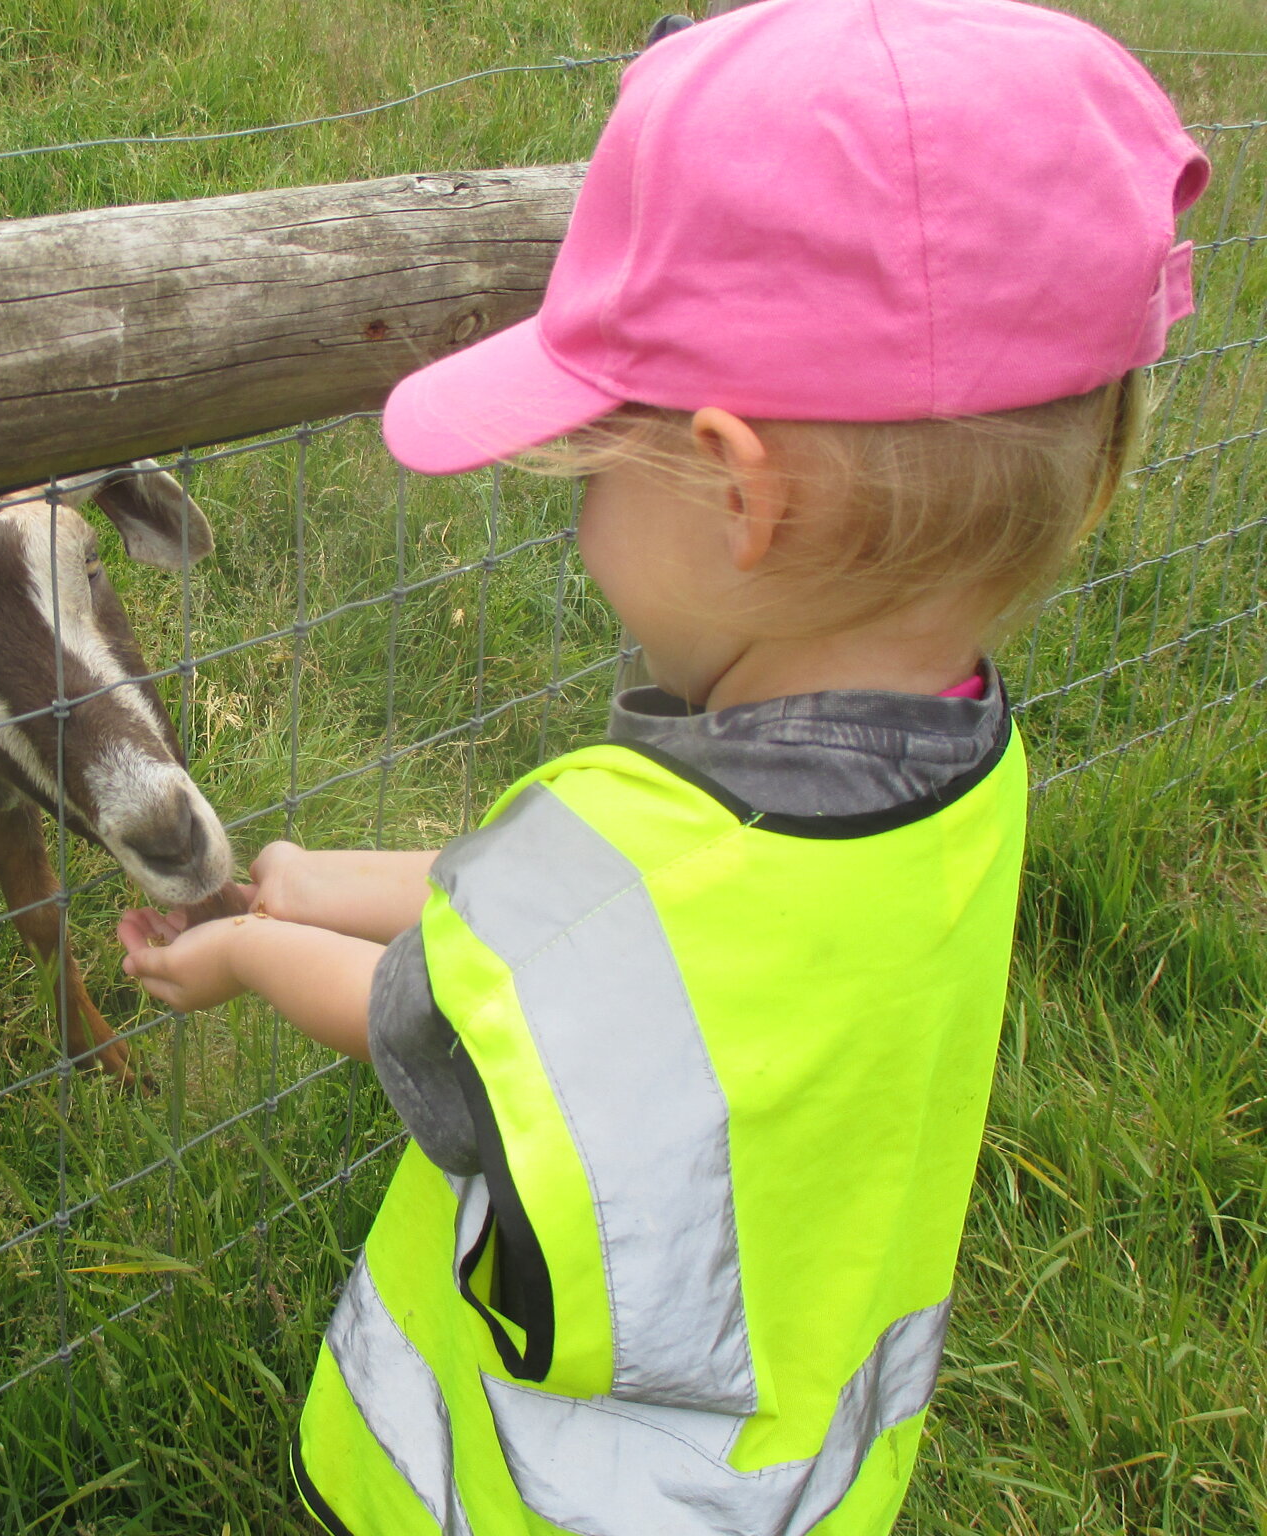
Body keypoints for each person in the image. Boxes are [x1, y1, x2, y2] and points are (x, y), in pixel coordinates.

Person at [115, 0, 1208, 1530]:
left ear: (736, 494)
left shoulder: (633, 835)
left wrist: (243, 946)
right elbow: (579, 942)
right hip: (800, 1470)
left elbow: (413, 1010)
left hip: (527, 1488)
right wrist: (314, 876)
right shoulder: (967, 762)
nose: (577, 524)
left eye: (591, 473)